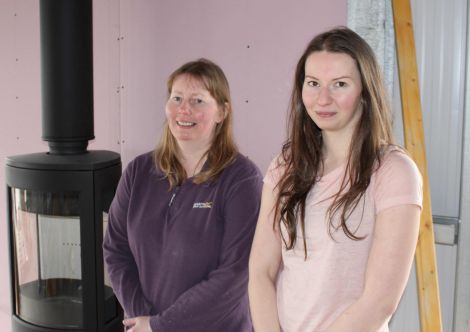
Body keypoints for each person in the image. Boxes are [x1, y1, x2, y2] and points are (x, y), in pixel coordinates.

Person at [248, 27, 422, 332]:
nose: (323, 98)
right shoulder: (285, 165)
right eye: (313, 83)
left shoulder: (394, 172)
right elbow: (261, 271)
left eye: (339, 84)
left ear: (365, 92)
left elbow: (380, 302)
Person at [103, 58, 263, 332]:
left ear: (222, 112)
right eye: (176, 98)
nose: (184, 109)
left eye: (198, 101)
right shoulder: (138, 172)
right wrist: (144, 319)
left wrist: (161, 326)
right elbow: (116, 250)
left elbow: (235, 274)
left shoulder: (242, 179)